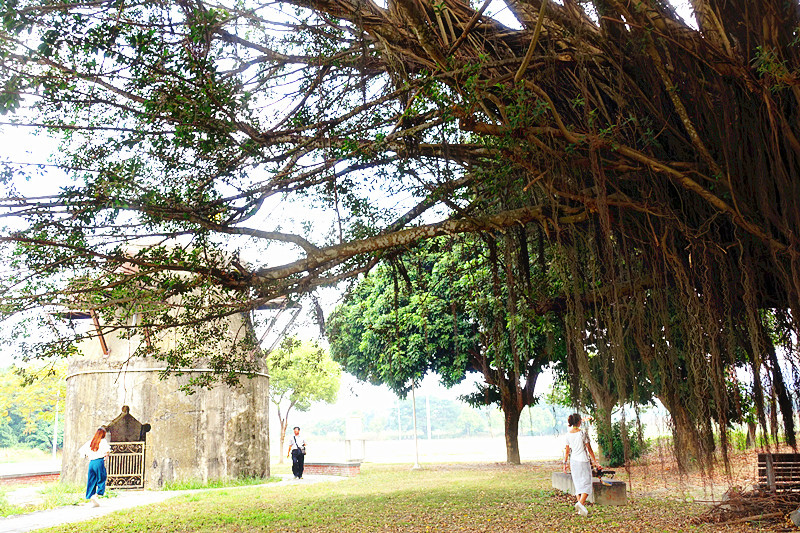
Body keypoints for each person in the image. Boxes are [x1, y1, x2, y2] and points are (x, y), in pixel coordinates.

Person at [562, 413, 599, 517]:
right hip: (583, 460)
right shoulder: (582, 433)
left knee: (578, 485)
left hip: (573, 461)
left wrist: (565, 464)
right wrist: (595, 461)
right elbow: (589, 448)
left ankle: (581, 510)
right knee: (587, 484)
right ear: (578, 422)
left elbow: (567, 451)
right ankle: (580, 504)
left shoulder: (568, 434)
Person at [78, 426, 111, 507]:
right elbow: (107, 451)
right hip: (99, 461)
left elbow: (81, 451)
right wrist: (106, 456)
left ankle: (89, 497)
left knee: (91, 480)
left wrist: (87, 456)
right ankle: (96, 495)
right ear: (103, 434)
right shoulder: (103, 442)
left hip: (91, 463)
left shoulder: (90, 442)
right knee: (101, 478)